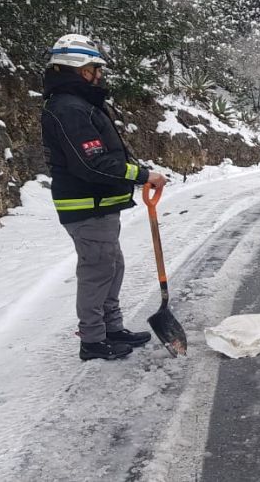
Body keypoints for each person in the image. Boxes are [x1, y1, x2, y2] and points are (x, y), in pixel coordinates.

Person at [40, 34, 168, 361]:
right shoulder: (68, 107)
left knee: (112, 266)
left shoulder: (81, 103)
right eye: (95, 68)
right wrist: (141, 176)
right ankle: (94, 341)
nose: (99, 74)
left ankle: (112, 328)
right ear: (81, 69)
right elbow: (90, 163)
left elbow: (109, 153)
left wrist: (140, 170)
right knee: (98, 271)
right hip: (87, 207)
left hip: (100, 206)